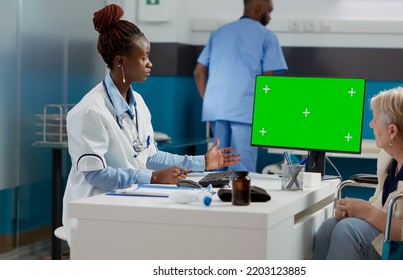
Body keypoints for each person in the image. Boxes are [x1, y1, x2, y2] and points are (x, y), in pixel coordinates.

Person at [62, 4, 240, 245]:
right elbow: (96, 175)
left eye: (149, 56)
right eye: (144, 57)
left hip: (127, 205)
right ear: (120, 61)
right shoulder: (90, 111)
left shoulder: (138, 104)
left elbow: (149, 154)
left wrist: (202, 162)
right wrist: (153, 177)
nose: (150, 63)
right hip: (93, 213)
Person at [313, 86, 403, 259]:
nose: (371, 124)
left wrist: (367, 213)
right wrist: (354, 211)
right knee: (329, 227)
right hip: (392, 237)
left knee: (348, 230)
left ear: (392, 131)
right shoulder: (389, 157)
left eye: (374, 120)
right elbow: (380, 205)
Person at [193, 0, 288, 172]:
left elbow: (198, 73)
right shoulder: (266, 36)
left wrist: (209, 102)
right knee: (241, 170)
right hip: (245, 111)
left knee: (217, 167)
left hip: (216, 111)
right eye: (269, 11)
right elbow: (268, 81)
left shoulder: (219, 33)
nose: (270, 16)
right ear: (259, 8)